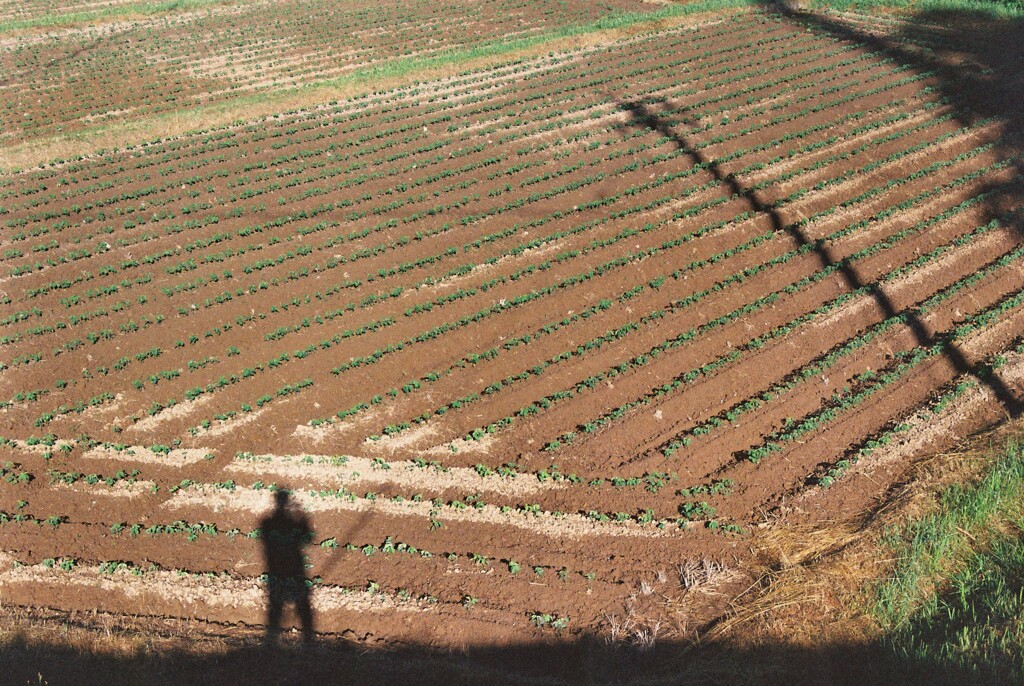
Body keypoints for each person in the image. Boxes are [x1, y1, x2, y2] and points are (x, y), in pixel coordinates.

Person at [260, 489, 315, 645]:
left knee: (275, 602)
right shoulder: (272, 522)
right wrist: (303, 519)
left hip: (275, 566)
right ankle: (307, 639)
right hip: (294, 565)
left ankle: (272, 640)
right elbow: (309, 538)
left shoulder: (266, 522)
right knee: (301, 601)